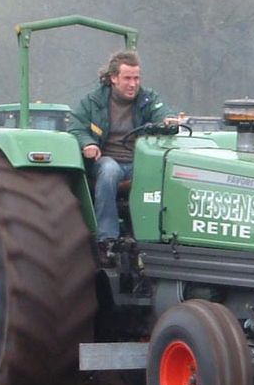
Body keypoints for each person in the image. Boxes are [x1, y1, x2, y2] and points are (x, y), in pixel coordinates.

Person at [69, 50, 175, 266]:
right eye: (127, 78)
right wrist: (87, 143)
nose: (133, 84)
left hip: (138, 163)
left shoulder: (148, 99)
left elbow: (162, 113)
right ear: (113, 78)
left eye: (136, 78)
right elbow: (76, 127)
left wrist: (168, 121)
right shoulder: (93, 102)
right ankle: (107, 240)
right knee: (110, 171)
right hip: (106, 160)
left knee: (163, 174)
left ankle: (153, 238)